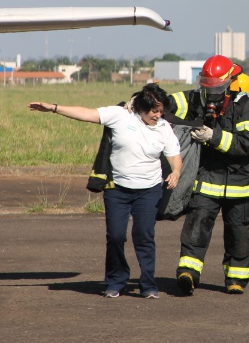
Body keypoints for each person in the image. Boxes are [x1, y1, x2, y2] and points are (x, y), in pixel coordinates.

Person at [27, 83, 183, 299]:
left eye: (161, 111)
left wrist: (175, 171)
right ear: (141, 108)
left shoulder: (164, 127)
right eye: (154, 111)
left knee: (143, 235)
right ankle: (116, 280)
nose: (159, 115)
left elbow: (174, 155)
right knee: (116, 236)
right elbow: (85, 113)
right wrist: (54, 107)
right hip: (117, 190)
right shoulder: (120, 115)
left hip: (149, 191)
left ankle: (148, 284)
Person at [169, 54, 249, 295]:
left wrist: (214, 137)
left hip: (241, 185)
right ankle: (188, 272)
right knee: (196, 225)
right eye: (207, 86)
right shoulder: (195, 98)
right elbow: (168, 102)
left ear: (230, 82)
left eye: (217, 88)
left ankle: (236, 279)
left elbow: (247, 144)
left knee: (239, 232)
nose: (211, 93)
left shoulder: (246, 109)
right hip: (207, 179)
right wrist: (141, 101)